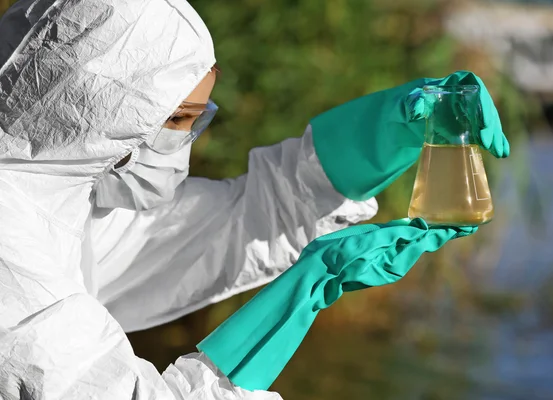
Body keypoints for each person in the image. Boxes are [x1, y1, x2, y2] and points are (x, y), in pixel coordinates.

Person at [0, 1, 508, 399]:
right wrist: (306, 290)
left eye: (198, 118)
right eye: (176, 119)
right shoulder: (11, 255)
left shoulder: (59, 202)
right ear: (92, 112)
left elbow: (236, 223)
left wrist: (395, 126)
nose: (187, 139)